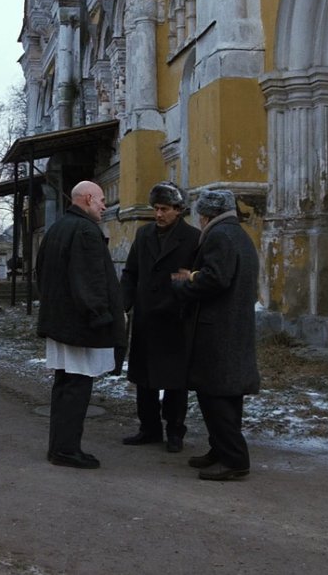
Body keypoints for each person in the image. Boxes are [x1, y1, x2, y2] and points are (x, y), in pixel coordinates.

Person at [36, 180, 127, 469]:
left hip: (62, 321)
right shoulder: (85, 230)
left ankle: (60, 447)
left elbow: (41, 273)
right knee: (76, 386)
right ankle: (66, 450)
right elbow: (90, 280)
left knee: (65, 384)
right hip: (80, 325)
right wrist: (100, 316)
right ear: (88, 199)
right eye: (101, 200)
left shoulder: (58, 228)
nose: (104, 206)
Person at [172, 189, 260, 481]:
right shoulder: (238, 234)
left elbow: (216, 278)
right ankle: (220, 450)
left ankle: (234, 460)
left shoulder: (220, 236)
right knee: (228, 395)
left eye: (199, 215)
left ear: (206, 215)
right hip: (232, 327)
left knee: (215, 395)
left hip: (218, 330)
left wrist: (185, 283)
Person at [120, 181, 200, 453]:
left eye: (164, 209)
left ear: (178, 210)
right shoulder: (144, 235)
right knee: (144, 377)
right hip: (146, 317)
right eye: (156, 208)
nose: (158, 214)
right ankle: (149, 427)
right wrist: (124, 304)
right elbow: (131, 273)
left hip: (175, 317)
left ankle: (175, 431)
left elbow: (194, 276)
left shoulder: (192, 238)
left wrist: (177, 295)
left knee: (175, 380)